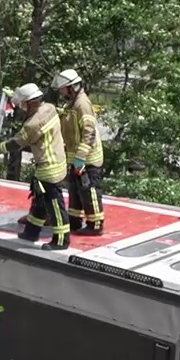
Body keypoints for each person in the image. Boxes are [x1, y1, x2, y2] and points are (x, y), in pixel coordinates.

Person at [5, 83, 71, 250]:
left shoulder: (32, 124)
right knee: (40, 201)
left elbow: (16, 143)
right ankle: (31, 232)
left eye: (23, 104)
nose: (21, 108)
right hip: (57, 162)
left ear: (30, 102)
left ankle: (62, 240)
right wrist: (15, 95)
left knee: (55, 206)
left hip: (50, 168)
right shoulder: (49, 108)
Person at [53, 68, 106, 236]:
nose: (61, 91)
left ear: (72, 87)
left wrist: (81, 158)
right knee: (76, 191)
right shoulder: (73, 102)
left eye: (63, 88)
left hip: (87, 159)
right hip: (75, 158)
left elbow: (88, 132)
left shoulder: (82, 104)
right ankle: (75, 221)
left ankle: (95, 225)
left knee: (89, 191)